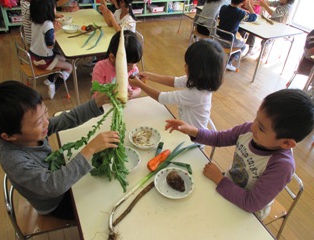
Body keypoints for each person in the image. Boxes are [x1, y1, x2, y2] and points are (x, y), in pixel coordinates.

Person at [164, 89, 314, 220]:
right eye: (257, 118)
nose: (253, 126)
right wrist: (193, 130)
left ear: (286, 143)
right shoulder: (249, 130)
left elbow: (251, 203)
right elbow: (219, 138)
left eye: (261, 128)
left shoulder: (281, 166)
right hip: (227, 186)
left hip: (248, 213)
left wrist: (219, 179)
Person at [0, 80, 120, 220]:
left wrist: (97, 102)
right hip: (55, 203)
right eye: (38, 122)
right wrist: (90, 149)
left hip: (61, 179)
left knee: (104, 186)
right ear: (10, 136)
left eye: (45, 112)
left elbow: (68, 118)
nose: (47, 122)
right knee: (102, 206)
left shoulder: (31, 132)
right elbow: (53, 186)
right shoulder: (13, 160)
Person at [129, 39, 224, 131]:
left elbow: (161, 98)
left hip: (192, 139)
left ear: (198, 71)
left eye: (187, 64)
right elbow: (174, 81)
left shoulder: (197, 95)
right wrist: (150, 76)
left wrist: (140, 85)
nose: (184, 66)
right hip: (184, 129)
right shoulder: (198, 80)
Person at [29, 0, 73, 100]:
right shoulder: (48, 24)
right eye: (54, 8)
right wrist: (55, 31)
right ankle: (54, 87)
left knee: (62, 57)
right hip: (45, 61)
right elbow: (50, 45)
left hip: (33, 57)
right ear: (48, 10)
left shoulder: (35, 21)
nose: (55, 10)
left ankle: (50, 79)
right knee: (69, 67)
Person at [92, 30, 142, 99]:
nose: (132, 68)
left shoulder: (134, 70)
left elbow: (138, 89)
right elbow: (95, 95)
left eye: (135, 63)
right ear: (112, 57)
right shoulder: (100, 68)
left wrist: (133, 94)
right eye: (127, 65)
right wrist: (111, 94)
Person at [217, 0, 257, 71]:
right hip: (228, 42)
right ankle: (229, 62)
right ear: (242, 2)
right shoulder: (240, 13)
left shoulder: (223, 7)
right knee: (243, 46)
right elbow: (254, 17)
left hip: (217, 37)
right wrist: (250, 7)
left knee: (240, 35)